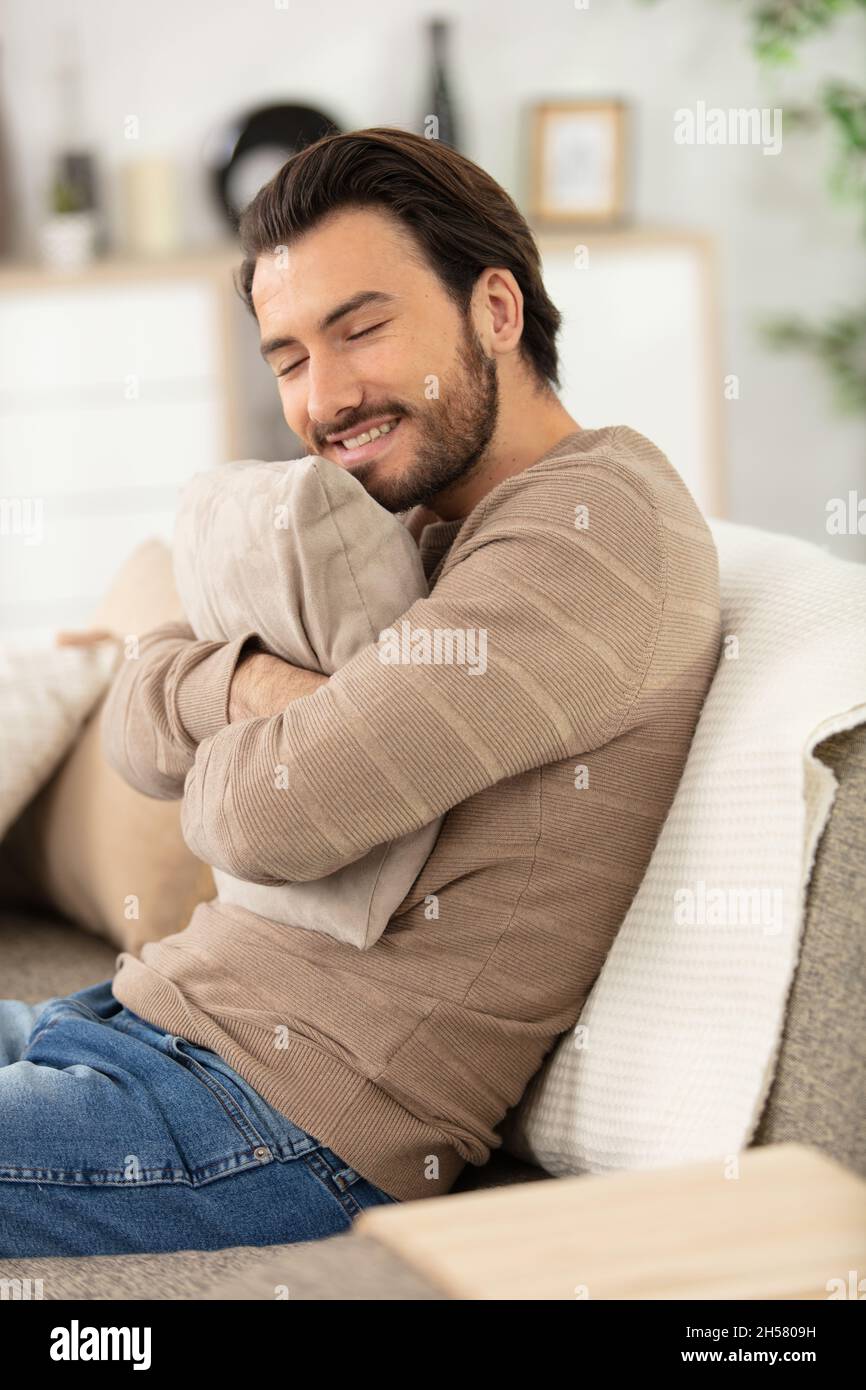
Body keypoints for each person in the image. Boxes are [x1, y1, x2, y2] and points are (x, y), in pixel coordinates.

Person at [0, 127, 721, 1257]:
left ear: (494, 309)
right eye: (287, 357)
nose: (323, 398)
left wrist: (232, 712)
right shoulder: (391, 520)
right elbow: (137, 734)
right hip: (147, 1022)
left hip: (277, 1123)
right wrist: (258, 682)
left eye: (361, 329)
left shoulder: (592, 532)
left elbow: (258, 818)